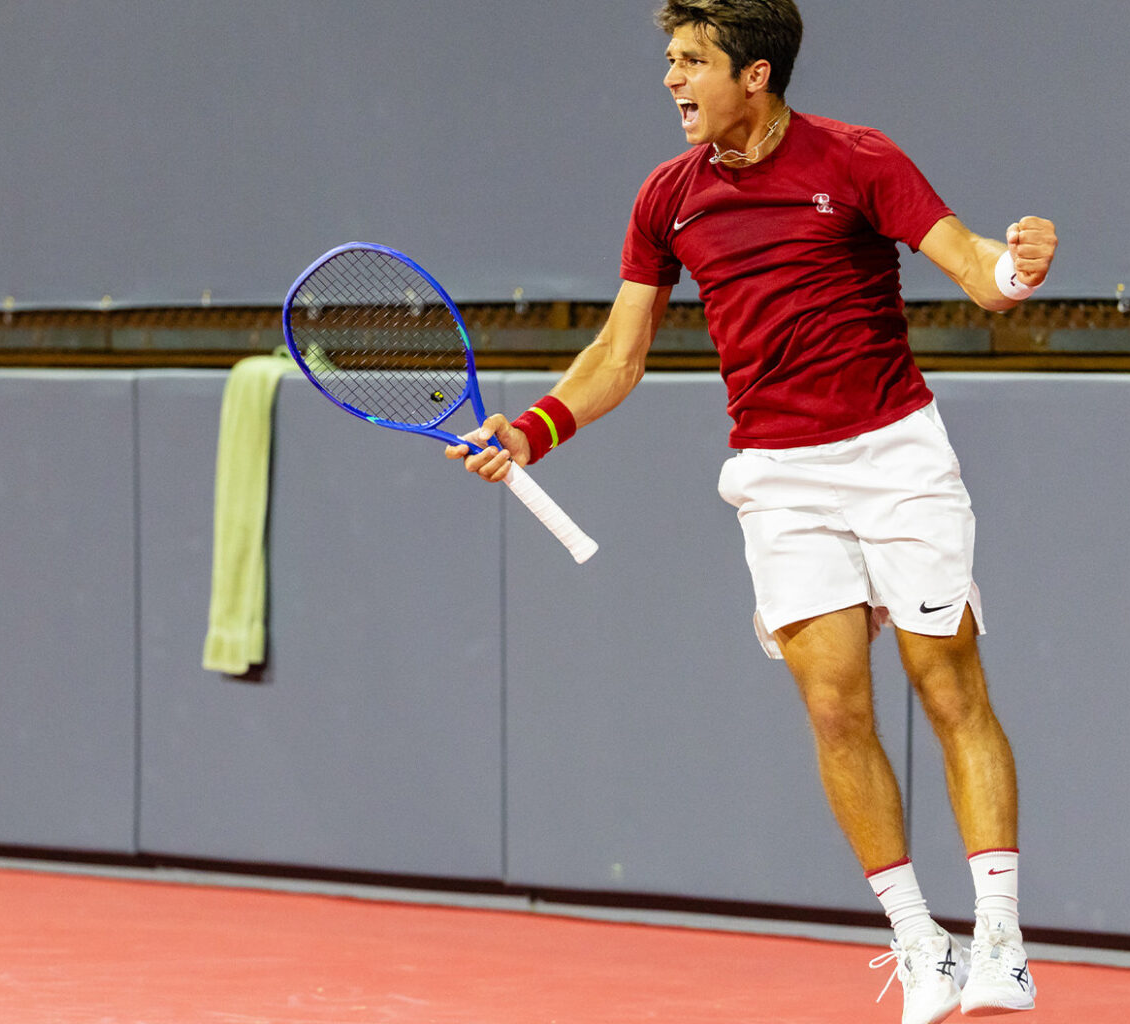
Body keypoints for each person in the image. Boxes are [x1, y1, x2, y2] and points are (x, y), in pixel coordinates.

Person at [446, 2, 1054, 1022]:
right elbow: (619, 353)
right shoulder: (667, 197)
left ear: (755, 74)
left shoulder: (858, 159)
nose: (672, 80)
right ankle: (919, 941)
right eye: (670, 60)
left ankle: (1001, 937)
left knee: (947, 684)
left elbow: (973, 268)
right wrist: (534, 430)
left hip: (896, 455)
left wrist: (1016, 266)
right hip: (777, 476)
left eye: (693, 61)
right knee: (834, 708)